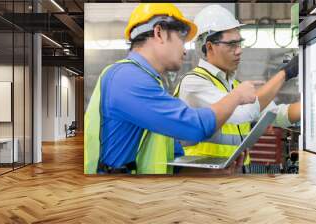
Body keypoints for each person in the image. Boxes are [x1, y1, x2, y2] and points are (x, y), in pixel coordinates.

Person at [84, 3, 259, 175]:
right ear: (159, 33)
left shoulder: (152, 83)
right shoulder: (127, 78)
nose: (185, 51)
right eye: (181, 40)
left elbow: (173, 160)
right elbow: (195, 126)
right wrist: (236, 96)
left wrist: (213, 174)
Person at [174, 4, 301, 173]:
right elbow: (244, 113)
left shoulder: (234, 85)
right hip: (204, 176)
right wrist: (285, 73)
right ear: (209, 47)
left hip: (236, 171)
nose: (239, 51)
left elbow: (274, 115)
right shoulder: (194, 84)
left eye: (239, 43)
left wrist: (315, 109)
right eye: (232, 44)